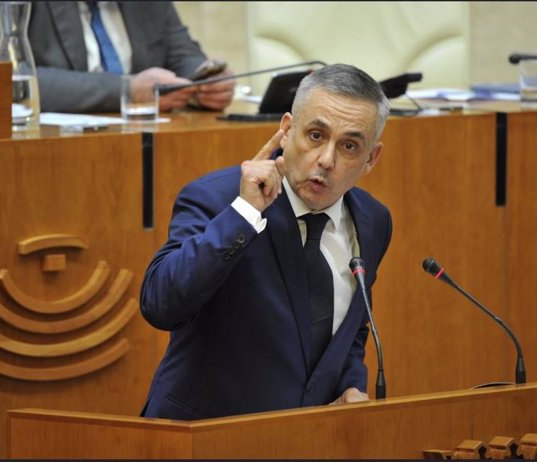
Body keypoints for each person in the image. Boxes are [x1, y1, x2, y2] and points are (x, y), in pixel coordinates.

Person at [139, 63, 392, 420]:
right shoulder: (217, 199)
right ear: (287, 131)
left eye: (349, 146)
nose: (326, 160)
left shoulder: (373, 222)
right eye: (315, 135)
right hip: (203, 437)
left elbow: (352, 327)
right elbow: (161, 305)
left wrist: (351, 385)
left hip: (301, 442)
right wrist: (243, 214)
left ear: (371, 158)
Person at [0, 1, 234, 113]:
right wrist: (127, 92)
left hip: (131, 159)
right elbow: (3, 82)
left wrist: (208, 81)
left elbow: (184, 55)